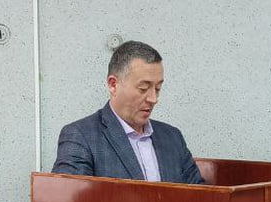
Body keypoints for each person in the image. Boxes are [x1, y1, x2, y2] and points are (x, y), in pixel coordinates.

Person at [52, 40, 204, 184]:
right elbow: (70, 199)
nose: (153, 99)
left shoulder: (172, 137)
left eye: (158, 88)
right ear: (113, 85)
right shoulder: (81, 136)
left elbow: (200, 196)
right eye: (143, 89)